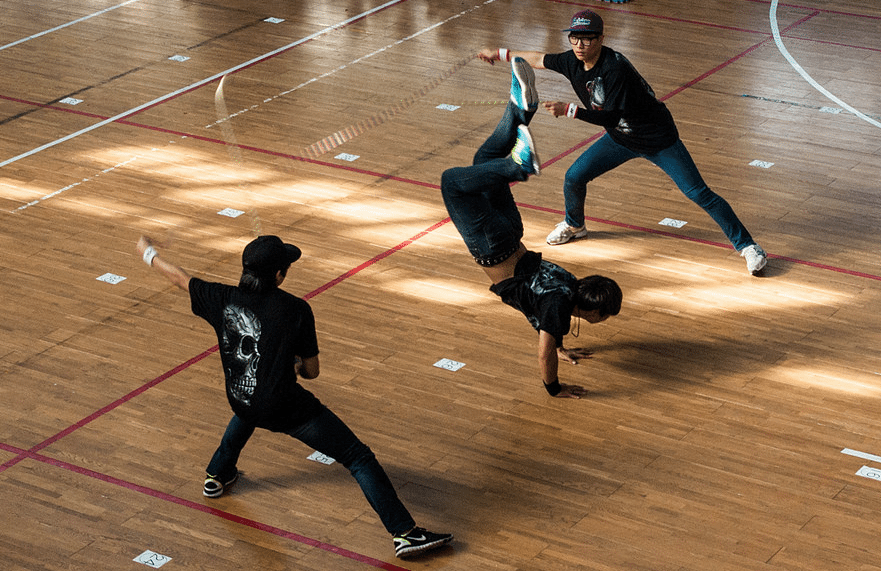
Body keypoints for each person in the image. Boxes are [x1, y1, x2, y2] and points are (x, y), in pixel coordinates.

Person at [135, 234, 452, 559]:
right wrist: (295, 362)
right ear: (278, 276)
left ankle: (218, 473)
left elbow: (178, 277)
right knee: (358, 458)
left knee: (249, 406)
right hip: (285, 407)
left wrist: (147, 251)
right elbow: (312, 371)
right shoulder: (295, 309)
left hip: (240, 397)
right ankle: (405, 534)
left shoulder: (220, 297)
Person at [477, 10, 768, 275]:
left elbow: (611, 117)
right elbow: (538, 59)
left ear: (601, 39)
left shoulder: (615, 69)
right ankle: (575, 225)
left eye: (587, 39)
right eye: (575, 38)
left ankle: (748, 247)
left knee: (699, 193)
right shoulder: (571, 60)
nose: (579, 45)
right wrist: (499, 53)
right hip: (621, 140)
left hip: (658, 141)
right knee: (574, 177)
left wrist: (570, 111)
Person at [440, 57, 623, 399]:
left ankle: (520, 110)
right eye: (606, 316)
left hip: (512, 233)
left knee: (483, 164)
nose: (605, 320)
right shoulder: (558, 306)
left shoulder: (568, 283)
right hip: (492, 244)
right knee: (451, 182)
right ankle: (517, 167)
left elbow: (541, 313)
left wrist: (561, 347)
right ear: (593, 313)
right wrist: (554, 388)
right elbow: (544, 345)